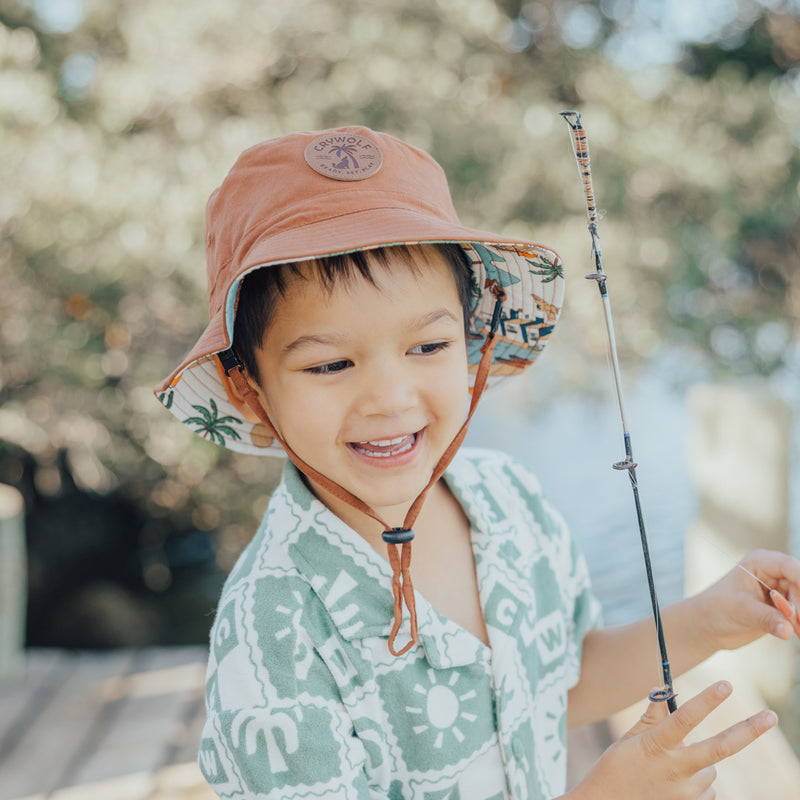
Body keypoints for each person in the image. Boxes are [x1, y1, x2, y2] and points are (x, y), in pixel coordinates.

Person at [154, 126, 800, 800]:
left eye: (428, 347)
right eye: (330, 363)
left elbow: (555, 685)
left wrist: (707, 620)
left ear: (473, 341)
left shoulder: (507, 497)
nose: (390, 398)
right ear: (248, 389)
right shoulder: (273, 621)